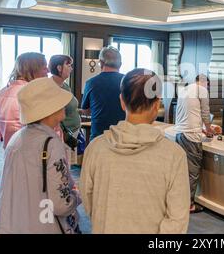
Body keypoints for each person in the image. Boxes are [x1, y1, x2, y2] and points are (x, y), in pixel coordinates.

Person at [80, 68, 190, 234]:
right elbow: (177, 217)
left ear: (122, 101)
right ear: (157, 103)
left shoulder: (96, 148)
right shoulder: (174, 154)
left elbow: (88, 200)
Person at [0, 77, 81, 234]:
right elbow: (61, 203)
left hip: (18, 223)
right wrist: (77, 195)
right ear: (50, 108)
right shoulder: (51, 143)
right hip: (46, 225)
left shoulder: (17, 138)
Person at [0, 52, 48, 149]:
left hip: (9, 148)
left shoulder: (3, 91)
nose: (48, 71)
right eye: (45, 68)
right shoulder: (33, 93)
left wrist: (3, 137)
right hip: (31, 149)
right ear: (33, 70)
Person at [174, 74, 214, 213]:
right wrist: (209, 130)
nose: (207, 87)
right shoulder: (202, 90)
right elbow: (205, 113)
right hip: (191, 136)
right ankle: (188, 204)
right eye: (207, 85)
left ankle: (178, 201)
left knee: (181, 171)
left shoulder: (184, 90)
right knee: (192, 172)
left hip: (179, 134)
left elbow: (189, 114)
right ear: (204, 82)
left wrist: (202, 129)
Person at [81, 46, 125, 141]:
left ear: (101, 63)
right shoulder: (129, 82)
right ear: (120, 64)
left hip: (99, 136)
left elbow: (85, 110)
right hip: (123, 136)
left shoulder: (91, 83)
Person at [49, 55, 82, 164]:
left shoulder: (65, 86)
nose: (71, 68)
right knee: (61, 166)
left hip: (73, 132)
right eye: (68, 65)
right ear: (59, 68)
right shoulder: (51, 87)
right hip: (62, 135)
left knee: (68, 166)